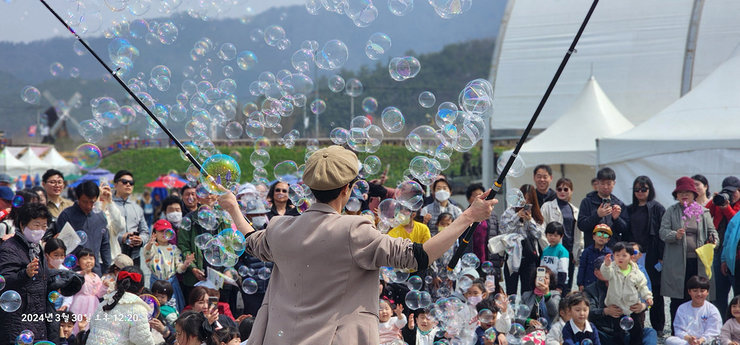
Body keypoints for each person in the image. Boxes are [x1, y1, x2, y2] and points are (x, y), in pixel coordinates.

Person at [217, 145, 496, 344]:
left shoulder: (281, 227)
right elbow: (418, 257)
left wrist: (233, 208)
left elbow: (251, 241)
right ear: (347, 189)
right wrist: (469, 216)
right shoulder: (355, 230)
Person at [660, 176, 718, 324]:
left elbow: (714, 232)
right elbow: (662, 232)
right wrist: (675, 234)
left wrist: (713, 241)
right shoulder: (671, 211)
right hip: (678, 263)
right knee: (678, 298)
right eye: (680, 192)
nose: (684, 195)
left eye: (688, 192)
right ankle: (676, 331)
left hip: (699, 262)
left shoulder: (703, 212)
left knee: (699, 296)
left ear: (694, 194)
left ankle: (700, 330)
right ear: (676, 195)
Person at [0, 202, 54, 344]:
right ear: (23, 225)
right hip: (17, 320)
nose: (41, 230)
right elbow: (4, 280)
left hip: (36, 317)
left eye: (44, 226)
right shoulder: (10, 248)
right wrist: (25, 274)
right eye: (36, 225)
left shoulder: (37, 248)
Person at [584, 256, 657, 345]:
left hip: (628, 330)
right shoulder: (590, 290)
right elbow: (588, 312)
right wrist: (605, 311)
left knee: (650, 332)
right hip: (605, 332)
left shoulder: (627, 282)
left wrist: (643, 306)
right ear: (596, 273)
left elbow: (648, 302)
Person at [624, 175, 665, 334]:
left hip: (652, 254)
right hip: (633, 254)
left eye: (644, 189)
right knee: (632, 288)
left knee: (654, 289)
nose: (640, 192)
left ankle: (658, 327)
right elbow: (625, 230)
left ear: (650, 190)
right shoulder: (629, 209)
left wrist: (662, 255)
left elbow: (662, 234)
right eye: (637, 189)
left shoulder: (657, 208)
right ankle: (635, 326)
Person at [50, 180, 111, 275]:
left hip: (94, 271)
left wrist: (107, 270)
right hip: (72, 271)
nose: (88, 206)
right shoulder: (67, 215)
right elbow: (60, 246)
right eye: (85, 202)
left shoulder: (100, 217)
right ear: (78, 198)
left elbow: (105, 245)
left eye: (92, 202)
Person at [87, 265, 156, 345]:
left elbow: (92, 325)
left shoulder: (105, 302)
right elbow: (142, 340)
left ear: (116, 284)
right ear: (142, 289)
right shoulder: (138, 308)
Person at [600, 243, 653, 345]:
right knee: (617, 334)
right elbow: (606, 274)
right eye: (617, 255)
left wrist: (648, 297)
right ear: (613, 256)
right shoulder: (612, 269)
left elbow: (643, 286)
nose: (620, 258)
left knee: (637, 333)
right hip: (617, 308)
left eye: (624, 255)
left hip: (632, 308)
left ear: (631, 257)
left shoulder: (637, 272)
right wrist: (606, 265)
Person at [500, 184, 546, 295]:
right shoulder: (510, 212)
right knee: (511, 291)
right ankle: (511, 311)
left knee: (528, 292)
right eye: (523, 198)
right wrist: (517, 216)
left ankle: (529, 311)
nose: (525, 202)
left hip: (529, 257)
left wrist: (530, 220)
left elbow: (539, 235)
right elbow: (504, 231)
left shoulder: (536, 214)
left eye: (529, 199)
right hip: (512, 256)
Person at [144, 219, 193, 311]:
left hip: (171, 283)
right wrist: (150, 245)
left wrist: (185, 264)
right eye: (161, 231)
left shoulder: (174, 249)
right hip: (156, 283)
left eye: (167, 232)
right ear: (154, 233)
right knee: (154, 307)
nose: (164, 234)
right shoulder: (152, 247)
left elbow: (179, 268)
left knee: (172, 307)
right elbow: (147, 255)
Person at [541, 177, 581, 290]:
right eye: (559, 189)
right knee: (548, 283)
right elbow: (541, 229)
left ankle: (564, 307)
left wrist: (576, 253)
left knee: (566, 285)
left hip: (568, 252)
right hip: (551, 252)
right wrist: (548, 248)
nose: (562, 192)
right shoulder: (547, 206)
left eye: (566, 189)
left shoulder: (575, 210)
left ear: (571, 191)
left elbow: (578, 235)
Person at [709, 176, 740, 318]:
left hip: (735, 254)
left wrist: (726, 208)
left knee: (737, 292)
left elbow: (735, 221)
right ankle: (720, 323)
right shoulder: (719, 202)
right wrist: (715, 200)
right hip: (720, 250)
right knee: (718, 292)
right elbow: (703, 212)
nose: (730, 195)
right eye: (727, 192)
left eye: (733, 192)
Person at [578, 167, 629, 248]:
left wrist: (616, 219)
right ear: (597, 183)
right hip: (592, 250)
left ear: (614, 183)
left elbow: (625, 229)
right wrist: (597, 215)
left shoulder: (619, 204)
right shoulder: (587, 202)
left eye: (609, 184)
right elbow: (581, 225)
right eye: (602, 183)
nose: (605, 187)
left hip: (612, 250)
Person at [665, 276, 722, 345]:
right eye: (695, 291)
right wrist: (689, 339)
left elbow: (714, 331)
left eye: (702, 291)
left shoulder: (712, 309)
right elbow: (678, 330)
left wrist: (701, 340)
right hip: (688, 341)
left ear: (707, 292)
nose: (699, 294)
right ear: (689, 291)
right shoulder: (682, 308)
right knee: (669, 340)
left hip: (705, 341)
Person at [112, 170, 150, 267]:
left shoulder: (137, 208)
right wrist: (122, 238)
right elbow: (103, 230)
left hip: (134, 257)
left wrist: (140, 240)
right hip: (114, 256)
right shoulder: (109, 205)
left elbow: (145, 231)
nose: (128, 185)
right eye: (124, 182)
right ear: (115, 184)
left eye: (131, 183)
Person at [67, 248, 108, 331]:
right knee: (77, 323)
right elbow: (75, 286)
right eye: (85, 258)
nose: (88, 261)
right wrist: (83, 273)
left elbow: (99, 294)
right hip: (79, 303)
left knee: (91, 324)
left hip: (94, 304)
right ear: (78, 262)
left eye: (91, 258)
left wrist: (104, 286)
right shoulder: (77, 274)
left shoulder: (96, 276)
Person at [577, 224, 613, 291]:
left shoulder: (609, 254)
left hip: (604, 286)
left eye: (605, 235)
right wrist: (580, 283)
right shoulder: (587, 252)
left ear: (608, 239)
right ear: (593, 236)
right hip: (588, 284)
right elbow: (582, 267)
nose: (602, 237)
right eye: (599, 234)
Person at [466, 183, 494, 265]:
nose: (479, 198)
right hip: (470, 259)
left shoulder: (492, 215)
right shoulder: (464, 216)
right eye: (475, 195)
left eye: (481, 194)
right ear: (469, 199)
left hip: (487, 258)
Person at [541, 222, 569, 292]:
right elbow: (541, 267)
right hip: (546, 283)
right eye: (550, 235)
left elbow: (563, 270)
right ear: (546, 235)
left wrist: (560, 287)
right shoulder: (545, 250)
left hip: (558, 285)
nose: (552, 238)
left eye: (555, 236)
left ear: (561, 236)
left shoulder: (562, 251)